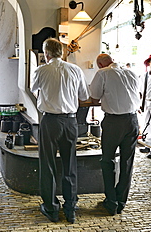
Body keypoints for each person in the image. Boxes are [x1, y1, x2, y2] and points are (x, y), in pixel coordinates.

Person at [31, 38, 90, 223]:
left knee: (48, 164)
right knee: (69, 165)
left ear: (46, 53)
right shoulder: (75, 69)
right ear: (62, 52)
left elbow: (34, 90)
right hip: (71, 122)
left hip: (49, 122)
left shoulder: (41, 70)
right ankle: (71, 209)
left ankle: (51, 208)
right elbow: (84, 96)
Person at [89, 54, 140, 216]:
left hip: (114, 123)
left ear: (100, 64)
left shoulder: (103, 73)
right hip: (132, 121)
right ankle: (121, 201)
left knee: (107, 160)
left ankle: (111, 202)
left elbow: (94, 98)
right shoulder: (131, 72)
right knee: (127, 162)